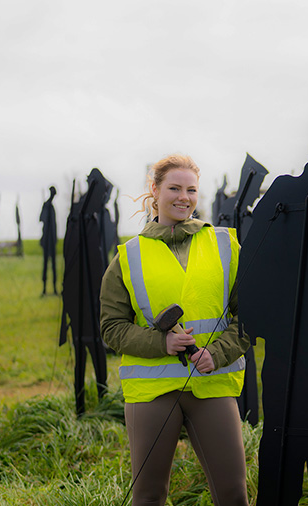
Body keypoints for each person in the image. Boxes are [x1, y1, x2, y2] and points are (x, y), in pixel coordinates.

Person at [100, 154, 250, 506]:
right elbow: (111, 327)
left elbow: (250, 316)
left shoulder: (226, 245)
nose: (184, 197)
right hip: (151, 393)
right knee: (149, 496)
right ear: (154, 190)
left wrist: (217, 353)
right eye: (175, 188)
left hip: (213, 386)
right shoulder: (128, 256)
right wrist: (160, 342)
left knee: (233, 494)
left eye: (191, 190)